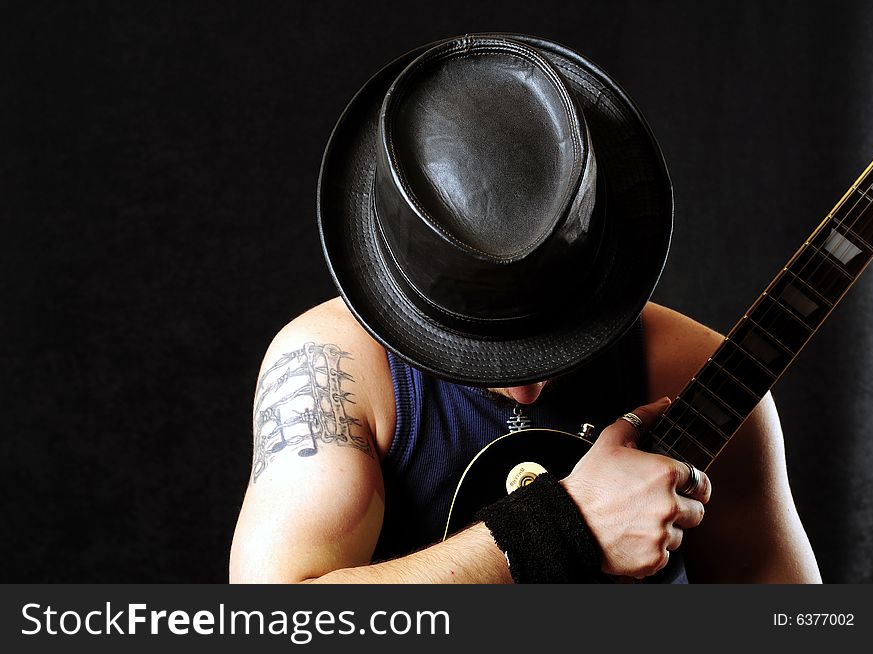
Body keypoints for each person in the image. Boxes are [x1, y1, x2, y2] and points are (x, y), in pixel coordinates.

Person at [229, 34, 821, 583]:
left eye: (558, 337)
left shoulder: (697, 373)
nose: (530, 390)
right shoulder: (335, 367)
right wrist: (562, 528)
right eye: (487, 352)